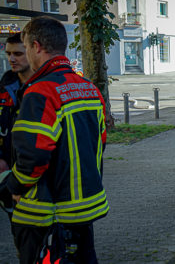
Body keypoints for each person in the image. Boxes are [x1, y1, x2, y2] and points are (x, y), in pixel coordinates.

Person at [8, 16, 108, 263]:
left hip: (48, 215)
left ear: (36, 46)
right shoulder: (88, 88)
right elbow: (101, 141)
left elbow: (34, 155)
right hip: (85, 207)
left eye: (25, 47)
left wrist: (14, 187)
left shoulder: (41, 91)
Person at [0, 33, 33, 173]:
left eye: (18, 54)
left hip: (34, 169)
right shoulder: (5, 85)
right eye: (8, 54)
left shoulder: (46, 87)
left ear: (33, 51)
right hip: (6, 167)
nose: (11, 59)